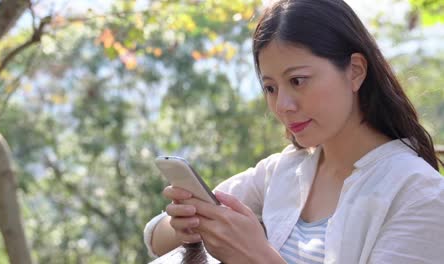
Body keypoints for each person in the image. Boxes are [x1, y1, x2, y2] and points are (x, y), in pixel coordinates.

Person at [143, 0, 444, 263]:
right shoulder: (284, 171)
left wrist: (255, 257)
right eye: (270, 88)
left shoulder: (419, 194)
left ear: (355, 71)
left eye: (298, 80)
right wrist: (186, 225)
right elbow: (154, 236)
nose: (282, 105)